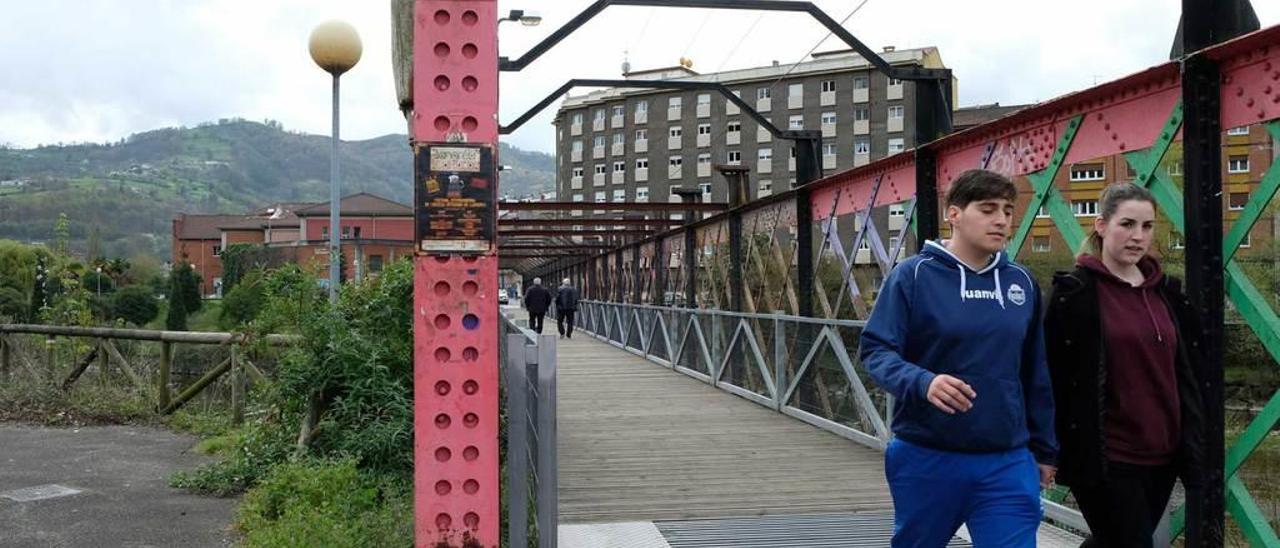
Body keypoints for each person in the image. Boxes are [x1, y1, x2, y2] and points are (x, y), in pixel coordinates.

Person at [860, 169, 1057, 547]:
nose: (1001, 220)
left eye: (1007, 210)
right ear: (954, 214)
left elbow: (1036, 373)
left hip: (1007, 460)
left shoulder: (1022, 282)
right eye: (987, 209)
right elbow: (876, 350)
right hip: (927, 456)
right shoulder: (912, 276)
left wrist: (1045, 449)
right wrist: (924, 381)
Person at [1044, 183, 1204, 547]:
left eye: (1147, 226)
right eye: (1127, 224)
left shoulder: (1167, 294)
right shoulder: (1074, 293)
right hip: (1107, 455)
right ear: (1101, 225)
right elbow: (1049, 375)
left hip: (1163, 453)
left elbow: (1189, 374)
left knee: (1114, 540)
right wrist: (1044, 448)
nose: (1138, 236)